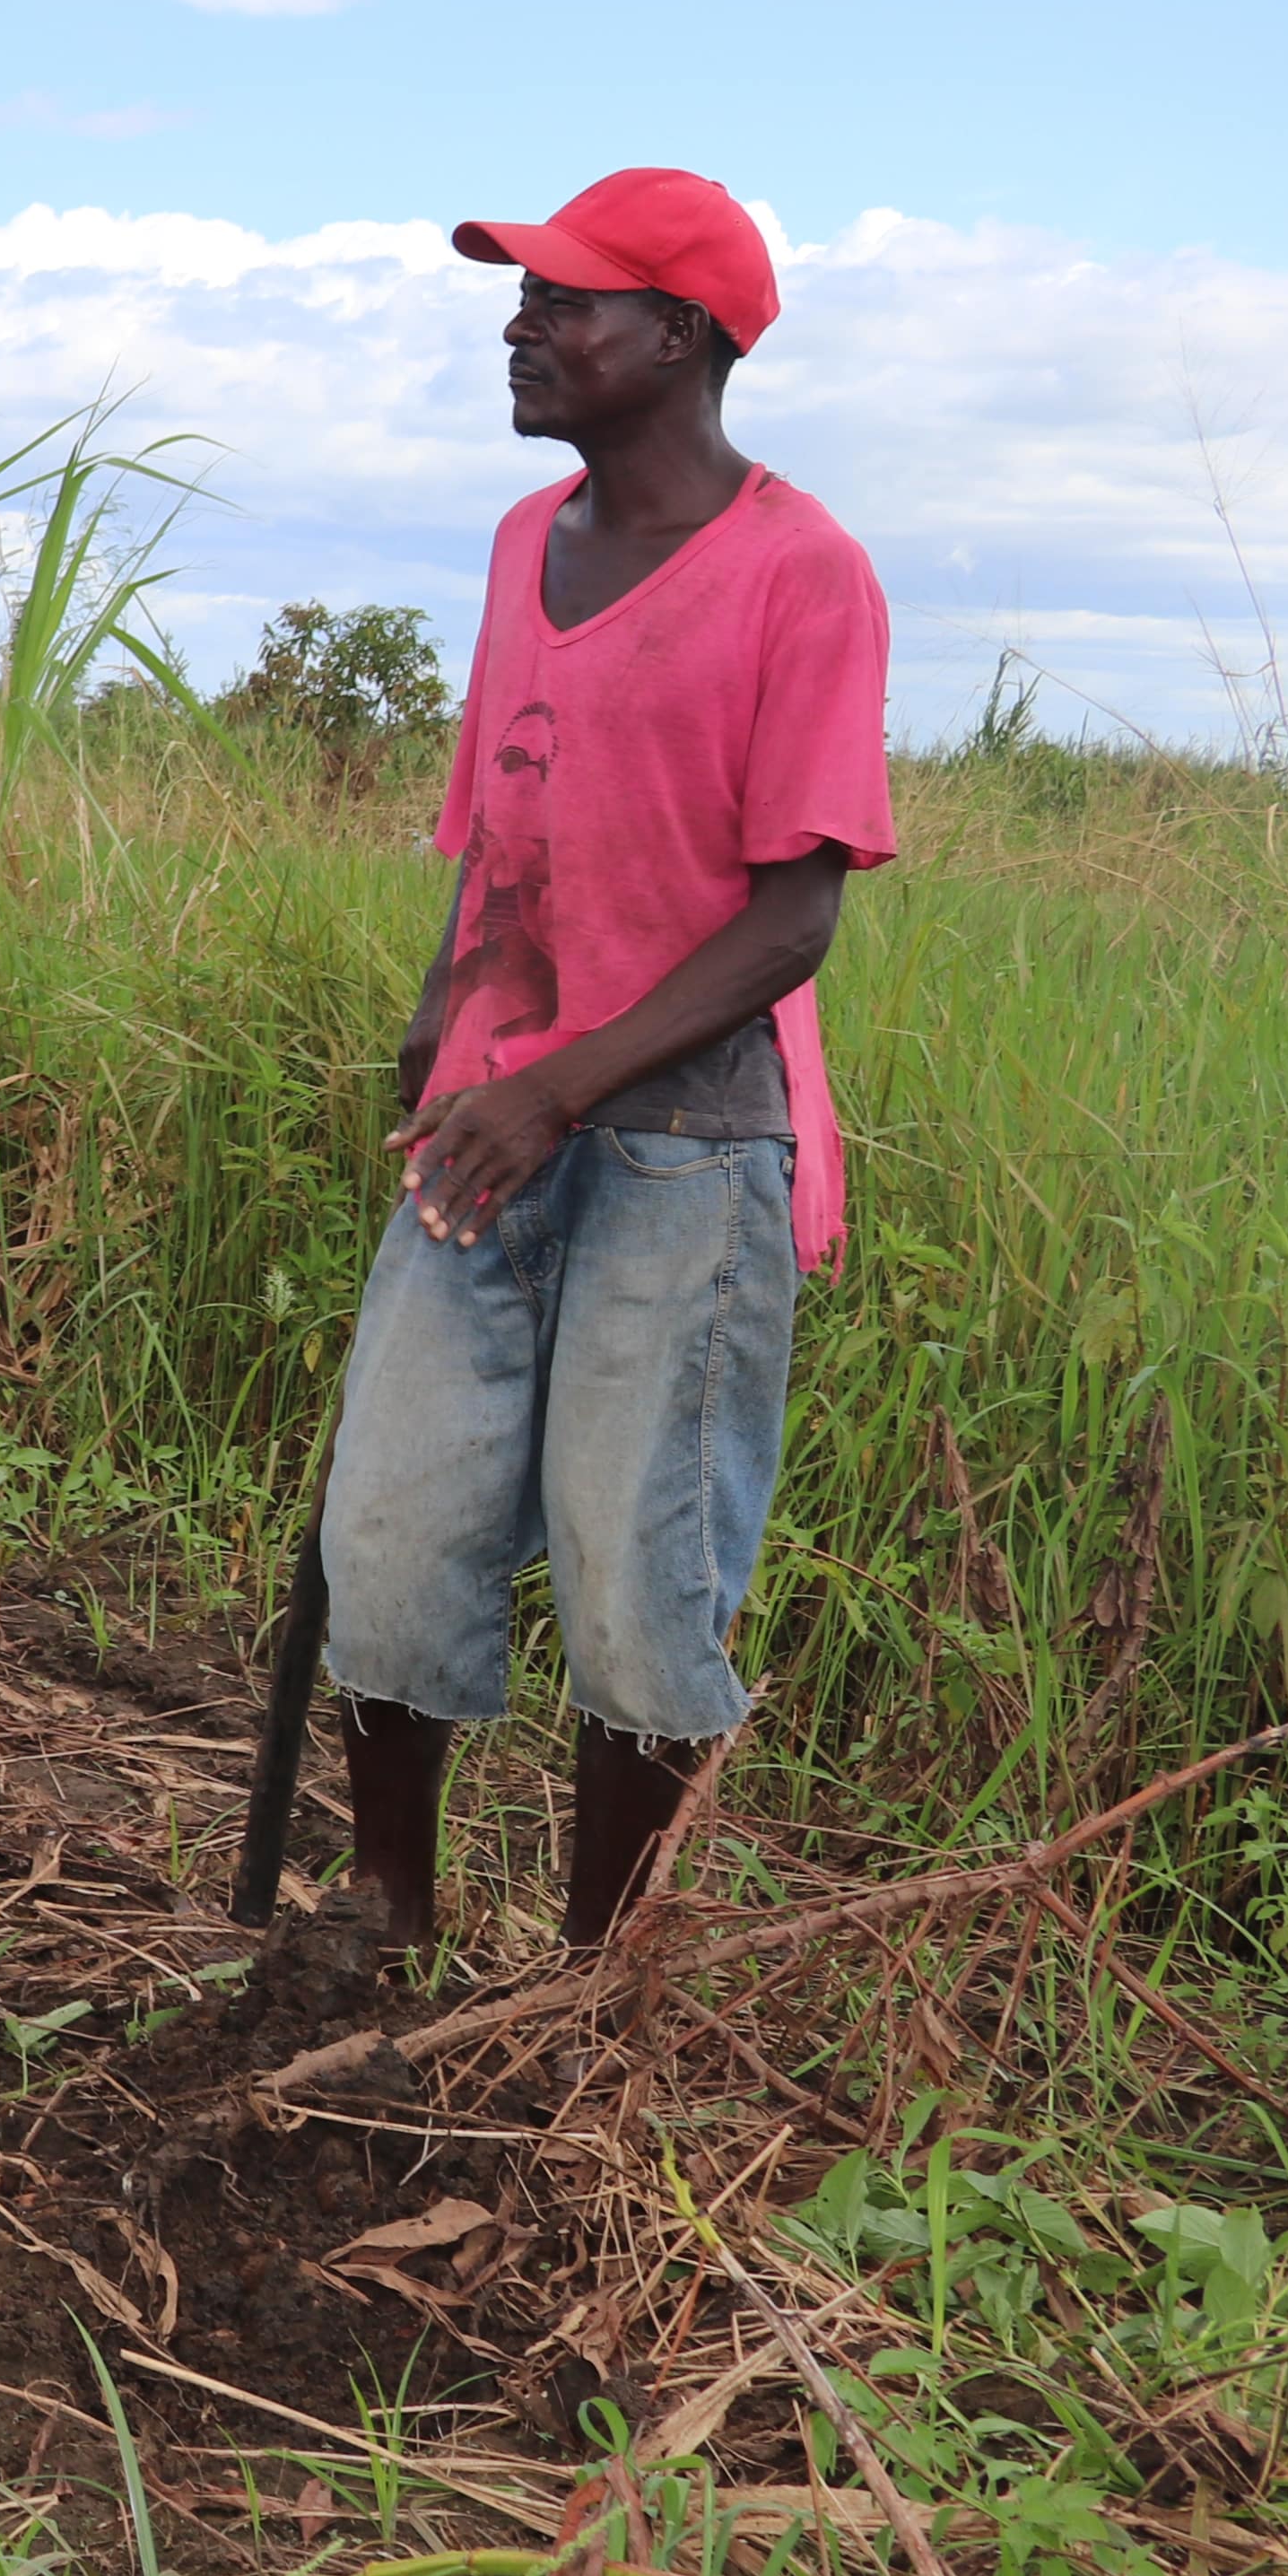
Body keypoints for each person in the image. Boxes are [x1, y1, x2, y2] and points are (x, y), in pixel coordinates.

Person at [317, 167, 895, 1957]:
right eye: (524, 295)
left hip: (679, 1148)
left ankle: (592, 1986)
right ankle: (390, 1916)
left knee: (639, 1582)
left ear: (684, 334)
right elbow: (506, 814)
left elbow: (790, 918)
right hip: (491, 1118)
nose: (524, 326)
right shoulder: (523, 542)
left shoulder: (804, 572)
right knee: (395, 1528)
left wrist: (554, 1085)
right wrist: (448, 999)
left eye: (566, 299)